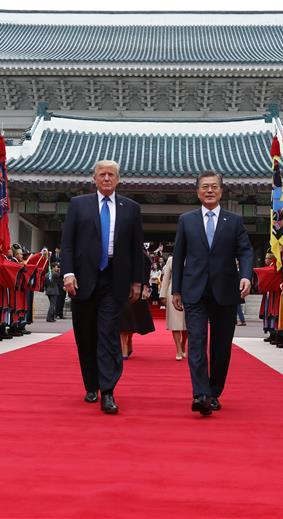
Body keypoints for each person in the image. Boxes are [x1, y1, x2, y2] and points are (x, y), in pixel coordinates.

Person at [61, 160, 143, 415]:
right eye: (102, 174)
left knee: (108, 335)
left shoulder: (131, 208)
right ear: (94, 178)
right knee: (86, 335)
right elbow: (67, 244)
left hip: (114, 279)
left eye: (111, 175)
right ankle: (91, 384)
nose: (107, 178)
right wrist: (68, 273)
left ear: (118, 179)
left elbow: (136, 248)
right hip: (83, 279)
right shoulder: (78, 205)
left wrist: (137, 281)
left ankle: (108, 391)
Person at [172, 170, 253, 416]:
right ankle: (201, 394)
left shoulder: (234, 221)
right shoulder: (186, 220)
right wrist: (176, 290)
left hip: (225, 291)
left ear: (221, 191)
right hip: (194, 291)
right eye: (205, 187)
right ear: (198, 192)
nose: (209, 190)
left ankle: (214, 392)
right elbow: (179, 256)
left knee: (221, 346)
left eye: (213, 187)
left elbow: (245, 251)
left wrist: (246, 276)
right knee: (196, 342)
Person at [119, 247, 155, 358]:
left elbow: (146, 273)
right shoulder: (119, 251)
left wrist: (145, 287)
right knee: (123, 317)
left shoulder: (143, 255)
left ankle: (129, 339)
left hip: (137, 290)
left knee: (134, 318)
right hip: (122, 288)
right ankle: (124, 346)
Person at [159, 255, 187, 360]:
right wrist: (163, 295)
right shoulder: (171, 259)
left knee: (188, 324)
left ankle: (183, 343)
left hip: (190, 291)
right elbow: (166, 278)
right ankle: (178, 349)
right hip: (173, 292)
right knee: (175, 323)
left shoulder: (194, 257)